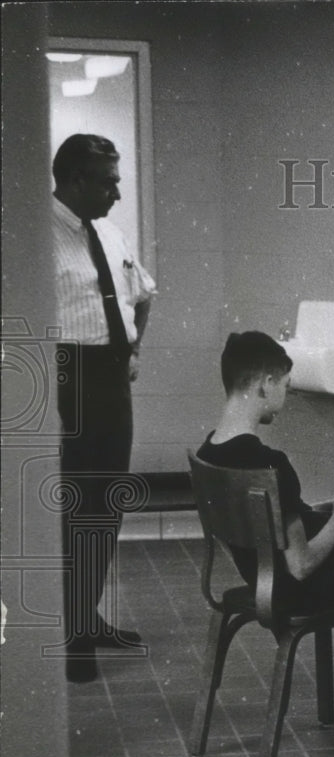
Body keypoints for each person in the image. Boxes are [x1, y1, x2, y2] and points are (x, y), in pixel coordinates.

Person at [53, 133, 156, 682]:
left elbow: (143, 292)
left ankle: (86, 616)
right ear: (72, 180)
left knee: (105, 506)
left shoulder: (110, 231)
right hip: (63, 378)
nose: (117, 192)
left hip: (110, 378)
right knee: (72, 509)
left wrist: (132, 349)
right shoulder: (35, 237)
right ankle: (70, 636)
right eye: (107, 181)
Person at [196, 332, 334, 609]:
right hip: (302, 588)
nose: (285, 396)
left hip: (261, 580)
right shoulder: (269, 463)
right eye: (286, 385)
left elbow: (276, 521)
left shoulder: (206, 455)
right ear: (267, 384)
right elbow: (300, 566)